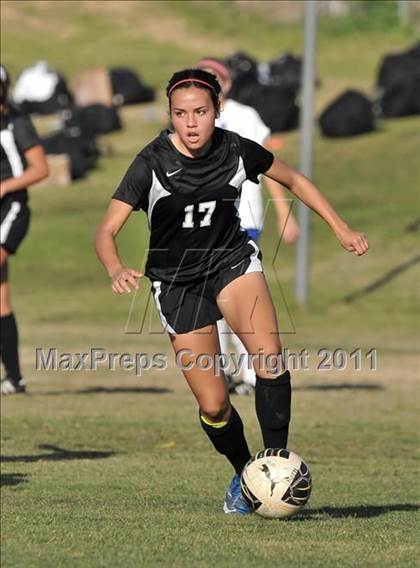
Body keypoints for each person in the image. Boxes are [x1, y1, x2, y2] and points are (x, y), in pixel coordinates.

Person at [94, 68, 368, 515]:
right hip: (178, 284)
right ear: (170, 116)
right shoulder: (152, 162)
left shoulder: (236, 150)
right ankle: (247, 476)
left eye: (200, 112)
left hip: (232, 263)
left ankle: (275, 464)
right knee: (215, 404)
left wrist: (340, 228)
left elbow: (295, 180)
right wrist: (115, 266)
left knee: (270, 359)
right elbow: (106, 230)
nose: (191, 122)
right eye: (180, 114)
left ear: (217, 111)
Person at [196, 56, 299, 395]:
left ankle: (255, 375)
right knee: (215, 305)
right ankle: (226, 373)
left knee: (246, 302)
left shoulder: (245, 117)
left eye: (214, 77)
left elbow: (271, 167)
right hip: (204, 223)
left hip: (244, 221)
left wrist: (284, 213)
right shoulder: (192, 122)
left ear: (226, 83)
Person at [0, 64, 49, 394]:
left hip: (11, 207)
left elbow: (40, 168)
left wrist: (4, 187)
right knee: (1, 300)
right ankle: (15, 378)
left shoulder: (15, 122)